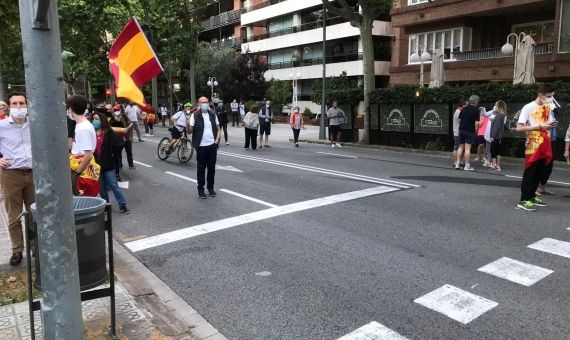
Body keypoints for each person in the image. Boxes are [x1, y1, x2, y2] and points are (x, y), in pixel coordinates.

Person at [0, 92, 35, 265]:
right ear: (9, 106)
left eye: (22, 103)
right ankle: (17, 250)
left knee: (34, 213)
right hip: (11, 175)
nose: (19, 107)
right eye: (15, 104)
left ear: (27, 105)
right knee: (14, 215)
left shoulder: (34, 124)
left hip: (33, 174)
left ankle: (36, 247)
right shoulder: (2, 125)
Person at [515, 83, 557, 211]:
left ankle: (532, 196)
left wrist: (551, 124)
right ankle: (524, 200)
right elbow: (519, 127)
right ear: (541, 95)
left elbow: (547, 123)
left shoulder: (548, 107)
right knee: (531, 172)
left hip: (545, 142)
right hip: (533, 144)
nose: (551, 99)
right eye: (549, 96)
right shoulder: (528, 107)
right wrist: (539, 127)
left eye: (552, 96)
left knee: (541, 171)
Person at [91, 112, 130, 214]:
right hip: (96, 166)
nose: (94, 121)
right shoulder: (91, 133)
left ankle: (122, 205)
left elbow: (120, 143)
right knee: (102, 188)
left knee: (114, 185)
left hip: (108, 165)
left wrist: (113, 154)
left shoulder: (109, 132)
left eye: (96, 119)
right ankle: (106, 206)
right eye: (93, 119)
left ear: (102, 120)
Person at [189, 97, 221, 199]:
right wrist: (187, 125)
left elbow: (218, 129)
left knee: (211, 169)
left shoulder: (212, 114)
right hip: (201, 146)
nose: (205, 104)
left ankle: (210, 188)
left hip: (212, 146)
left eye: (206, 102)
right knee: (201, 169)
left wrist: (216, 140)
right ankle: (200, 190)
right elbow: (190, 131)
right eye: (203, 102)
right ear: (199, 103)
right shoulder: (195, 115)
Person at [67, 95, 98, 197]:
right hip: (81, 168)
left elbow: (88, 155)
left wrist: (76, 174)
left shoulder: (83, 128)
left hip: (82, 171)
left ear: (70, 109)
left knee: (82, 202)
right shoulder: (81, 125)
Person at [455, 95, 481, 171]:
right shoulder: (476, 110)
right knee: (467, 149)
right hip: (470, 131)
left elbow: (459, 120)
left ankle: (457, 164)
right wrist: (476, 132)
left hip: (461, 130)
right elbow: (476, 123)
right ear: (476, 102)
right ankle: (467, 166)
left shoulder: (463, 109)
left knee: (460, 147)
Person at [109, 104, 134, 180]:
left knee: (129, 151)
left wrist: (127, 128)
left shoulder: (124, 116)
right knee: (118, 153)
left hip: (126, 137)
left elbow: (131, 123)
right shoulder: (111, 118)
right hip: (118, 138)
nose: (117, 111)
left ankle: (131, 164)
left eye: (118, 110)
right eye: (115, 110)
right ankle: (119, 165)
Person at [488, 101, 508, 172]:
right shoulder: (502, 115)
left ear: (498, 107)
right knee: (498, 152)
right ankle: (498, 166)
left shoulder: (498, 116)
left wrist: (492, 136)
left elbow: (496, 127)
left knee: (493, 151)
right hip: (499, 137)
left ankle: (493, 166)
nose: (494, 107)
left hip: (495, 137)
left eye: (495, 105)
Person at [452, 100, 467, 168]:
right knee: (457, 147)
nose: (467, 106)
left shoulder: (459, 111)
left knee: (461, 147)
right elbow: (461, 121)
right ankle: (455, 162)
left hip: (459, 132)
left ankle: (460, 161)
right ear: (463, 105)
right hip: (457, 132)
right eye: (467, 104)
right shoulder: (458, 112)